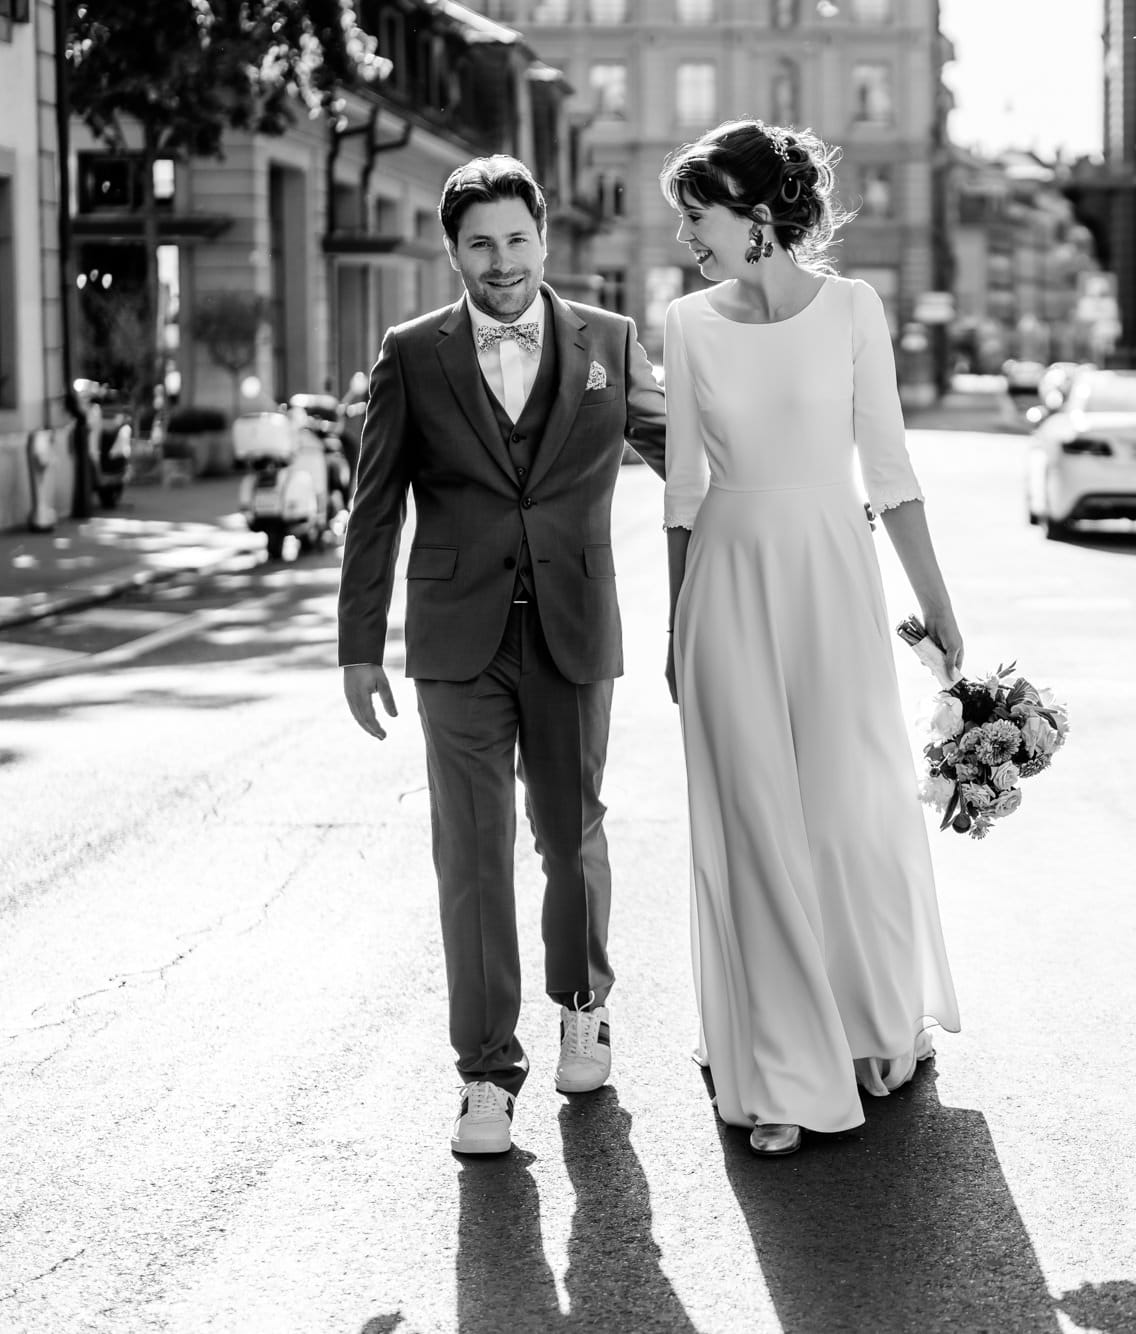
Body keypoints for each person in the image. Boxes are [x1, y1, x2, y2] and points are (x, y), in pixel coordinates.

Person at [337, 155, 669, 1155]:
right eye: (478, 243)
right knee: (471, 855)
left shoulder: (609, 340)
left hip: (572, 623)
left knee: (570, 834)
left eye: (516, 239)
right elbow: (374, 502)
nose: (501, 260)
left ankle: (582, 1002)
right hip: (455, 637)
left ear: (543, 240)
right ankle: (484, 1071)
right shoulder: (411, 352)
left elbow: (690, 453)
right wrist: (360, 646)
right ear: (452, 251)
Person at [659, 120, 964, 1157]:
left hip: (833, 573)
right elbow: (685, 493)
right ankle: (778, 1065)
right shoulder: (687, 323)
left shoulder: (852, 308)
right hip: (726, 586)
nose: (686, 239)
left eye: (696, 217)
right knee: (754, 827)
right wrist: (673, 623)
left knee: (841, 809)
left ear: (753, 214)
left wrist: (937, 602)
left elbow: (888, 468)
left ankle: (873, 1020)